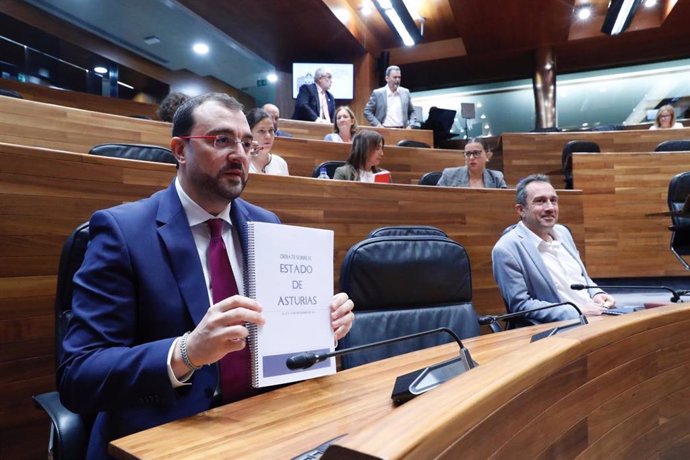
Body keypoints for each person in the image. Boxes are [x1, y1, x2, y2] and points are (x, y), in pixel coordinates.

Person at [57, 93, 355, 459]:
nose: (240, 154)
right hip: (167, 435)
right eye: (221, 140)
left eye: (246, 143)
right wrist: (187, 352)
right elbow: (79, 375)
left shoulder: (267, 225)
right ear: (180, 150)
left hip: (266, 425)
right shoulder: (123, 232)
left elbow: (281, 349)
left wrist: (323, 327)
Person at [491, 174, 615, 324]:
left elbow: (581, 277)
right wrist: (577, 312)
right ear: (521, 210)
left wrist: (596, 293)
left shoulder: (563, 232)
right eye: (540, 201)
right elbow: (521, 306)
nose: (550, 208)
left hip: (595, 316)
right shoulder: (506, 249)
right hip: (559, 329)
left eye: (553, 200)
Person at [437, 138, 507, 188]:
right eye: (468, 153)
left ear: (487, 156)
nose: (471, 157)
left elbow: (504, 203)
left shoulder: (496, 177)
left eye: (476, 153)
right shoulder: (449, 175)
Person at [245, 108, 289, 175]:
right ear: (249, 134)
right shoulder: (242, 163)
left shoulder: (281, 164)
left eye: (271, 130)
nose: (268, 136)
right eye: (261, 131)